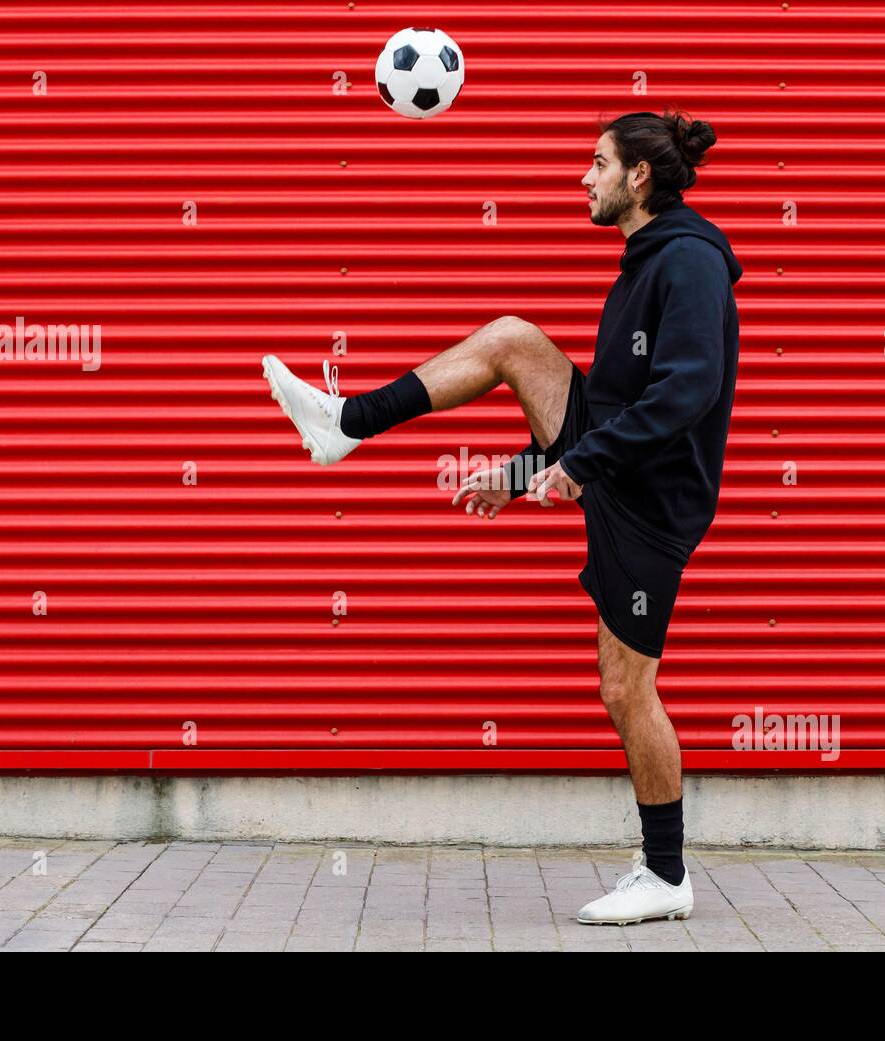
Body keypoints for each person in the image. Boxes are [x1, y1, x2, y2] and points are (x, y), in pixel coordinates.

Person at [261, 107, 742, 925]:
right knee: (514, 338)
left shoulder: (688, 261)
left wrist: (576, 467)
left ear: (638, 176)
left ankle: (667, 875)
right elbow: (615, 402)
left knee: (627, 690)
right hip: (621, 469)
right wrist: (525, 473)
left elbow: (686, 390)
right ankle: (347, 423)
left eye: (596, 162)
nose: (581, 178)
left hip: (653, 503)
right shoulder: (646, 259)